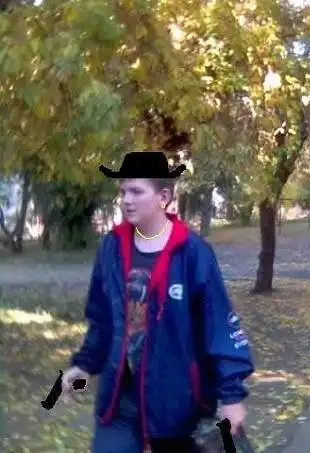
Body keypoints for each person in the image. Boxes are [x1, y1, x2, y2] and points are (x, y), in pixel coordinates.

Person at [60, 151, 255, 453]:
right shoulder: (112, 248)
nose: (126, 200)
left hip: (176, 404)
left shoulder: (192, 252)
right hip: (120, 401)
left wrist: (231, 396)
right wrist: (84, 365)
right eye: (123, 192)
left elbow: (217, 325)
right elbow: (101, 317)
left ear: (163, 196)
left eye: (136, 191)